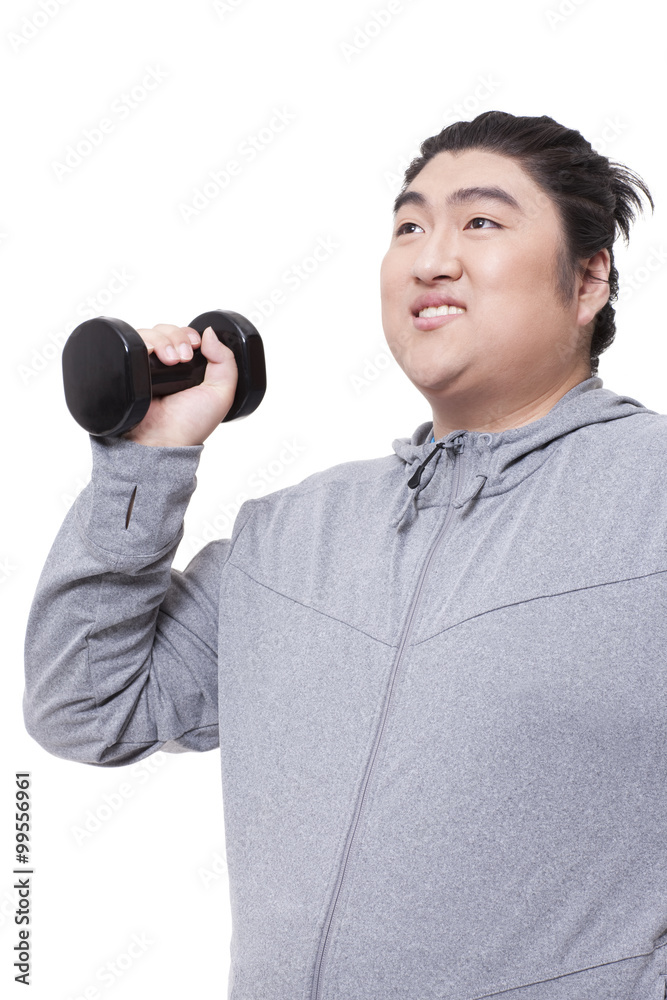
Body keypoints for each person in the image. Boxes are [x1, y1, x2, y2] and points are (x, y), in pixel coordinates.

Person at [23, 110, 665, 999]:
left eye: (480, 222)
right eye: (408, 225)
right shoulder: (290, 535)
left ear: (588, 278)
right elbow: (86, 705)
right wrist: (146, 460)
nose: (429, 257)